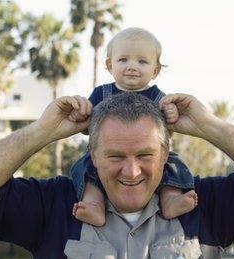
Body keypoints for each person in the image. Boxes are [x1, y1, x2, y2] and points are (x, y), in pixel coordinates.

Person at [0, 92, 234, 259]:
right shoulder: (55, 206)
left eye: (146, 155)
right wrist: (41, 132)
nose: (131, 171)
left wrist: (207, 124)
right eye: (115, 156)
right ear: (92, 155)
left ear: (165, 154)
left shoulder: (202, 203)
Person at [69, 27, 196, 227]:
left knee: (172, 165)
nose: (132, 67)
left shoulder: (158, 97)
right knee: (85, 168)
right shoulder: (101, 94)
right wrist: (80, 115)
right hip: (106, 157)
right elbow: (88, 127)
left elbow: (167, 131)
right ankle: (93, 204)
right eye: (123, 60)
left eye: (142, 61)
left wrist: (171, 115)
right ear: (110, 65)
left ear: (155, 71)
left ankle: (170, 198)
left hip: (151, 157)